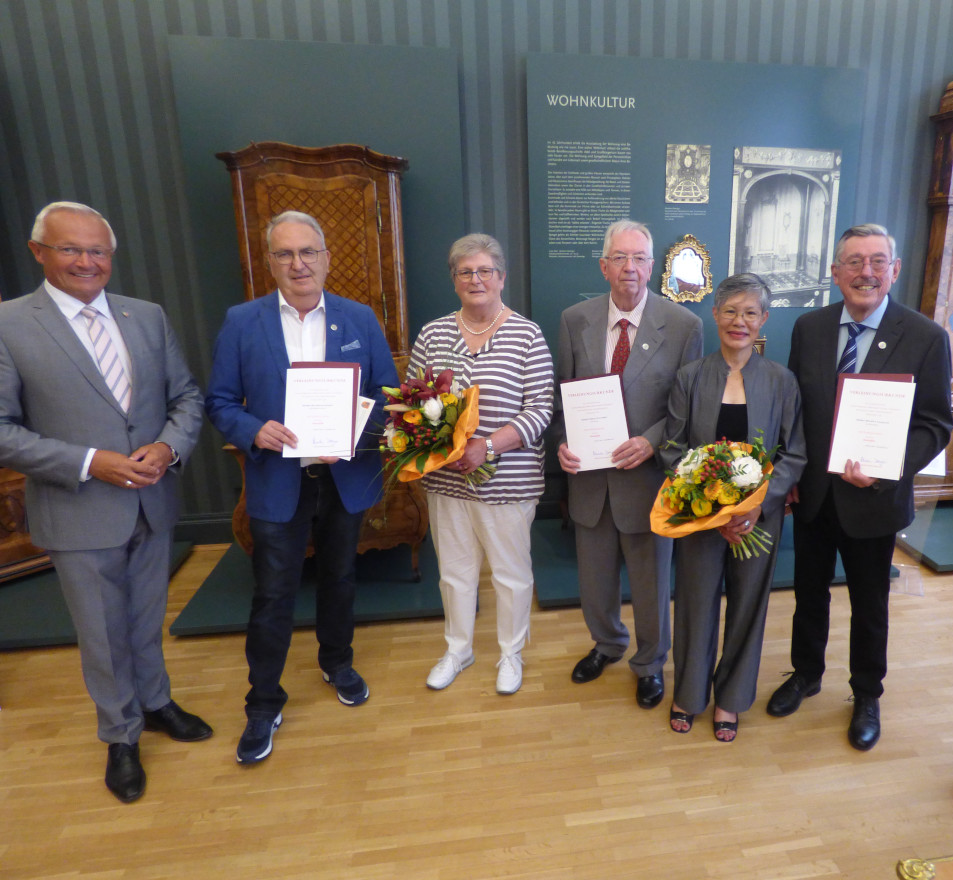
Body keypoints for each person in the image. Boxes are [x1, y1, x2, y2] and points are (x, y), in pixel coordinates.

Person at [0, 201, 210, 803]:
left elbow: (186, 398)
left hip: (153, 498)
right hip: (79, 508)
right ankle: (120, 736)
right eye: (71, 249)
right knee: (101, 631)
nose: (87, 261)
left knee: (146, 618)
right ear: (39, 252)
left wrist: (169, 450)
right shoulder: (11, 324)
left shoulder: (145, 316)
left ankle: (157, 702)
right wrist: (92, 463)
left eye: (98, 251)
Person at [205, 210, 398, 765]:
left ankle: (337, 661)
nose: (298, 264)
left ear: (326, 258)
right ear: (270, 262)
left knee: (339, 576)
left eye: (308, 252)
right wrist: (252, 429)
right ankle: (263, 701)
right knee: (273, 593)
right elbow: (219, 401)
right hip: (276, 479)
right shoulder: (243, 322)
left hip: (344, 475)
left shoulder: (359, 319)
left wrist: (357, 427)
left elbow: (387, 397)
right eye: (285, 254)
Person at [768, 223, 952, 751]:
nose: (865, 272)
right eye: (853, 262)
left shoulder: (925, 337)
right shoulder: (810, 327)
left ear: (894, 270)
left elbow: (935, 424)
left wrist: (888, 464)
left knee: (870, 604)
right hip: (815, 495)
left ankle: (867, 693)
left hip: (874, 500)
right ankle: (806, 673)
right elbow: (796, 410)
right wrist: (792, 473)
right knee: (808, 594)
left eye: (877, 261)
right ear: (835, 272)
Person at [552, 219, 704, 709]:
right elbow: (562, 398)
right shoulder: (574, 320)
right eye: (620, 258)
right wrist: (562, 444)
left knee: (651, 584)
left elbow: (689, 411)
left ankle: (650, 663)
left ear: (653, 266)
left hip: (647, 480)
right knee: (594, 581)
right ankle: (607, 644)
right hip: (590, 481)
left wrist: (651, 441)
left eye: (639, 258)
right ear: (604, 266)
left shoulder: (684, 326)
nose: (630, 268)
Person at [660, 274, 806, 741]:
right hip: (701, 518)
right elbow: (672, 448)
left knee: (748, 606)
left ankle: (732, 699)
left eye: (749, 313)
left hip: (756, 521)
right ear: (714, 315)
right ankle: (688, 693)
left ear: (764, 319)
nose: (738, 321)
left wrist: (754, 506)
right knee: (695, 605)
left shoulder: (782, 381)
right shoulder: (689, 377)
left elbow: (794, 453)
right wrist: (708, 505)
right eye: (729, 311)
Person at [414, 234, 555, 695]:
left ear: (501, 278)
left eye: (484, 271)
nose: (475, 279)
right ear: (454, 279)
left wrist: (487, 447)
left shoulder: (527, 334)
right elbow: (413, 403)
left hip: (508, 482)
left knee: (512, 575)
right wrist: (439, 445)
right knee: (454, 572)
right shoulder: (433, 334)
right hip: (446, 481)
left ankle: (510, 653)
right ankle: (458, 648)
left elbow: (540, 409)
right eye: (465, 271)